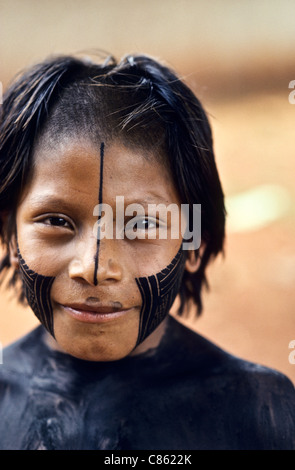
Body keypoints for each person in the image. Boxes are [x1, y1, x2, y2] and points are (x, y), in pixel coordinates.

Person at [0, 52, 294, 451]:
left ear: (195, 240)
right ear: (10, 233)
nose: (95, 267)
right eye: (56, 221)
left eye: (141, 224)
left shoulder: (258, 410)